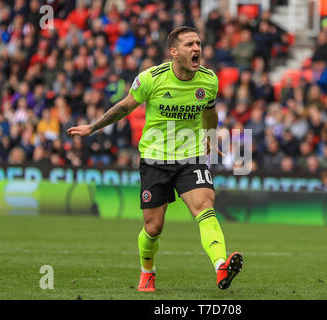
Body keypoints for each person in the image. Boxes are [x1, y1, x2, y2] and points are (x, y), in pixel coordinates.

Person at [67, 26, 242, 292]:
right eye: (189, 45)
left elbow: (209, 112)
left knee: (205, 207)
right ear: (174, 52)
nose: (196, 49)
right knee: (153, 227)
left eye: (198, 43)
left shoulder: (209, 80)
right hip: (155, 158)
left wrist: (210, 135)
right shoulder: (151, 78)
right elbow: (125, 106)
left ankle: (220, 266)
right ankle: (147, 270)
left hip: (190, 156)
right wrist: (93, 127)